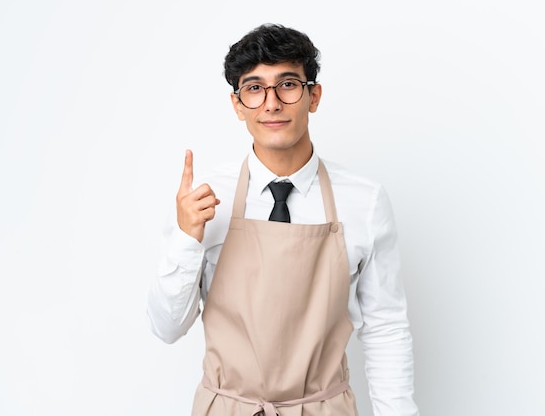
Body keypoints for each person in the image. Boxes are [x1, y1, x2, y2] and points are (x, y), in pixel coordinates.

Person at [147, 23, 419, 416]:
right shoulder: (205, 201)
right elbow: (166, 328)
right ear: (238, 105)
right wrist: (187, 240)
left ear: (314, 96)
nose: (271, 103)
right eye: (254, 89)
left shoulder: (365, 201)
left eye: (288, 84)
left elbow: (386, 329)